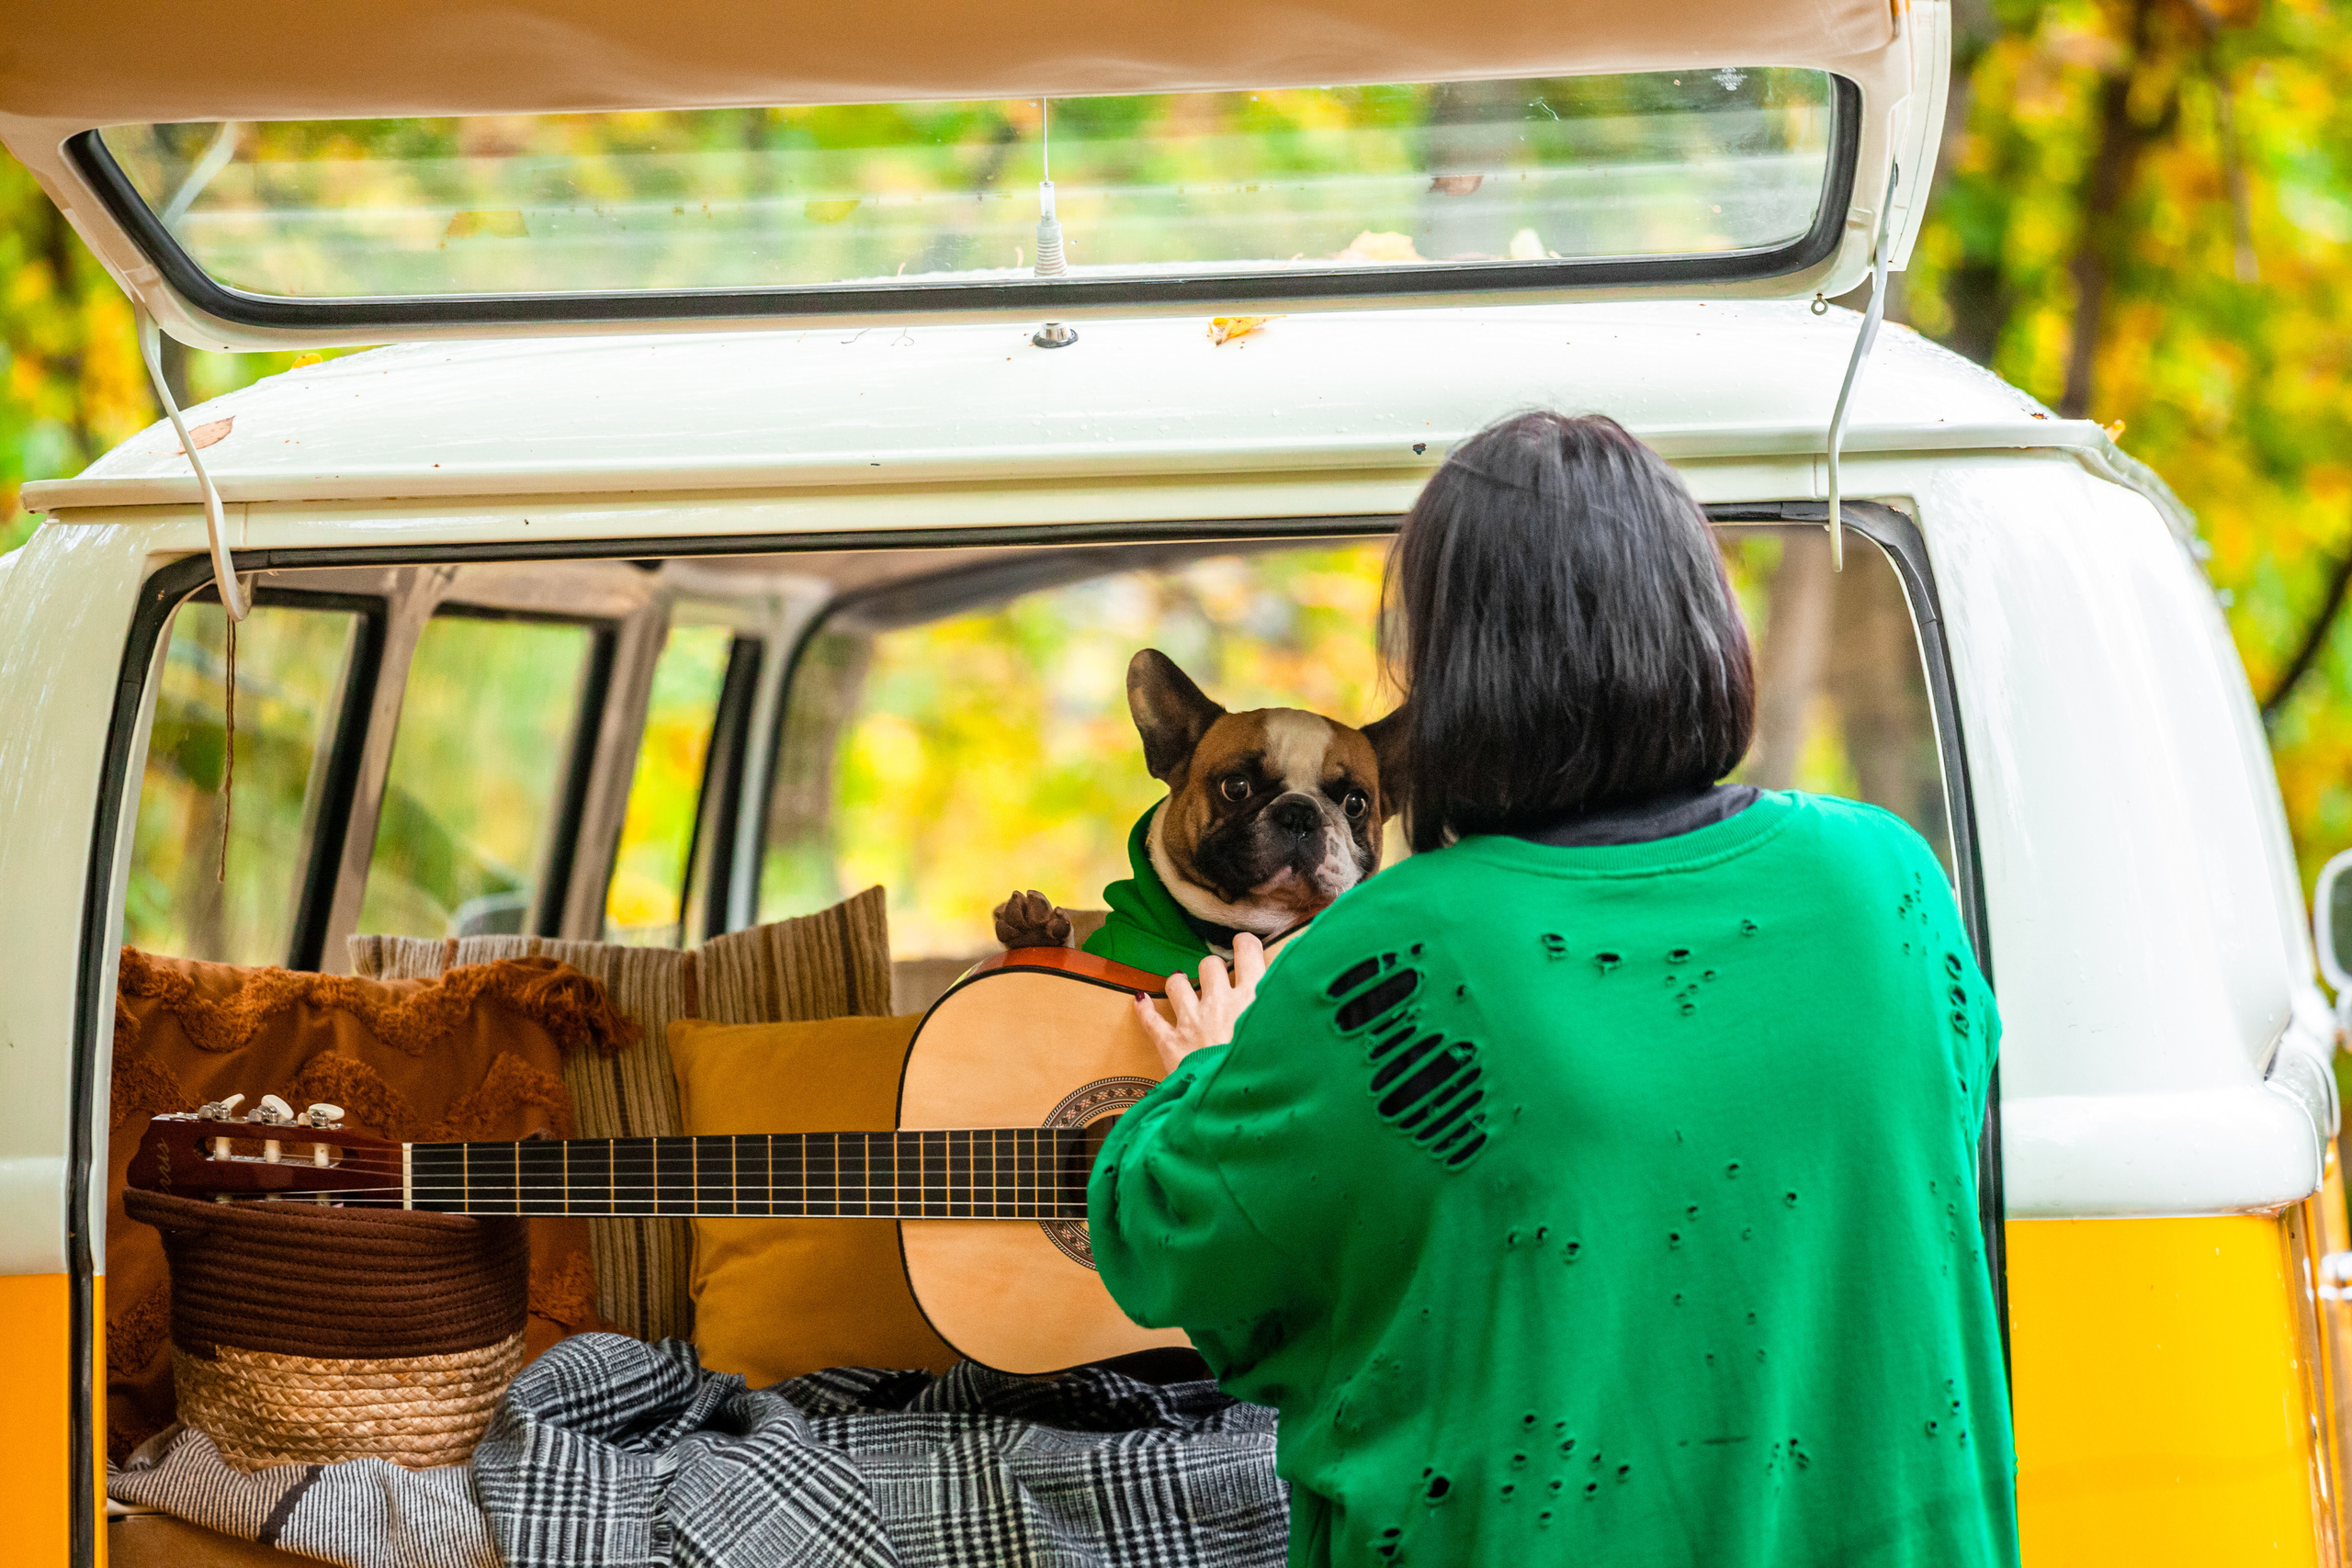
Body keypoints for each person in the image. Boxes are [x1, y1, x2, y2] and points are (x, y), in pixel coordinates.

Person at [1087, 411, 2018, 1567]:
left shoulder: (1390, 957)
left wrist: (1203, 1071)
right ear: (1706, 626)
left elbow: (1166, 1241)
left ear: (1451, 678)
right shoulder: (1890, 883)